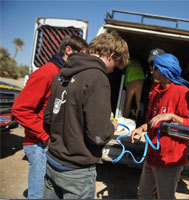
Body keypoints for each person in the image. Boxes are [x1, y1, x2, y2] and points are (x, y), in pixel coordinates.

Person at [42, 33, 129, 199]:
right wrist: (112, 127)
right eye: (115, 65)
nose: (112, 70)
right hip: (77, 171)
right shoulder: (98, 78)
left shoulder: (61, 74)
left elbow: (48, 118)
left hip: (52, 162)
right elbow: (98, 135)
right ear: (112, 55)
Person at [12, 35, 88, 199]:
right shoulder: (47, 72)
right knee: (38, 196)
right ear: (68, 50)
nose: (83, 60)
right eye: (81, 54)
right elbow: (20, 109)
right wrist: (44, 136)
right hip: (38, 144)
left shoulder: (61, 73)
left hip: (46, 144)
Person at [130, 53, 189, 199]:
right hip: (152, 156)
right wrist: (141, 129)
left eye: (155, 68)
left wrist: (172, 117)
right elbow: (152, 121)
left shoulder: (183, 93)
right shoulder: (156, 92)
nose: (152, 71)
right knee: (144, 194)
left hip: (170, 160)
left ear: (165, 70)